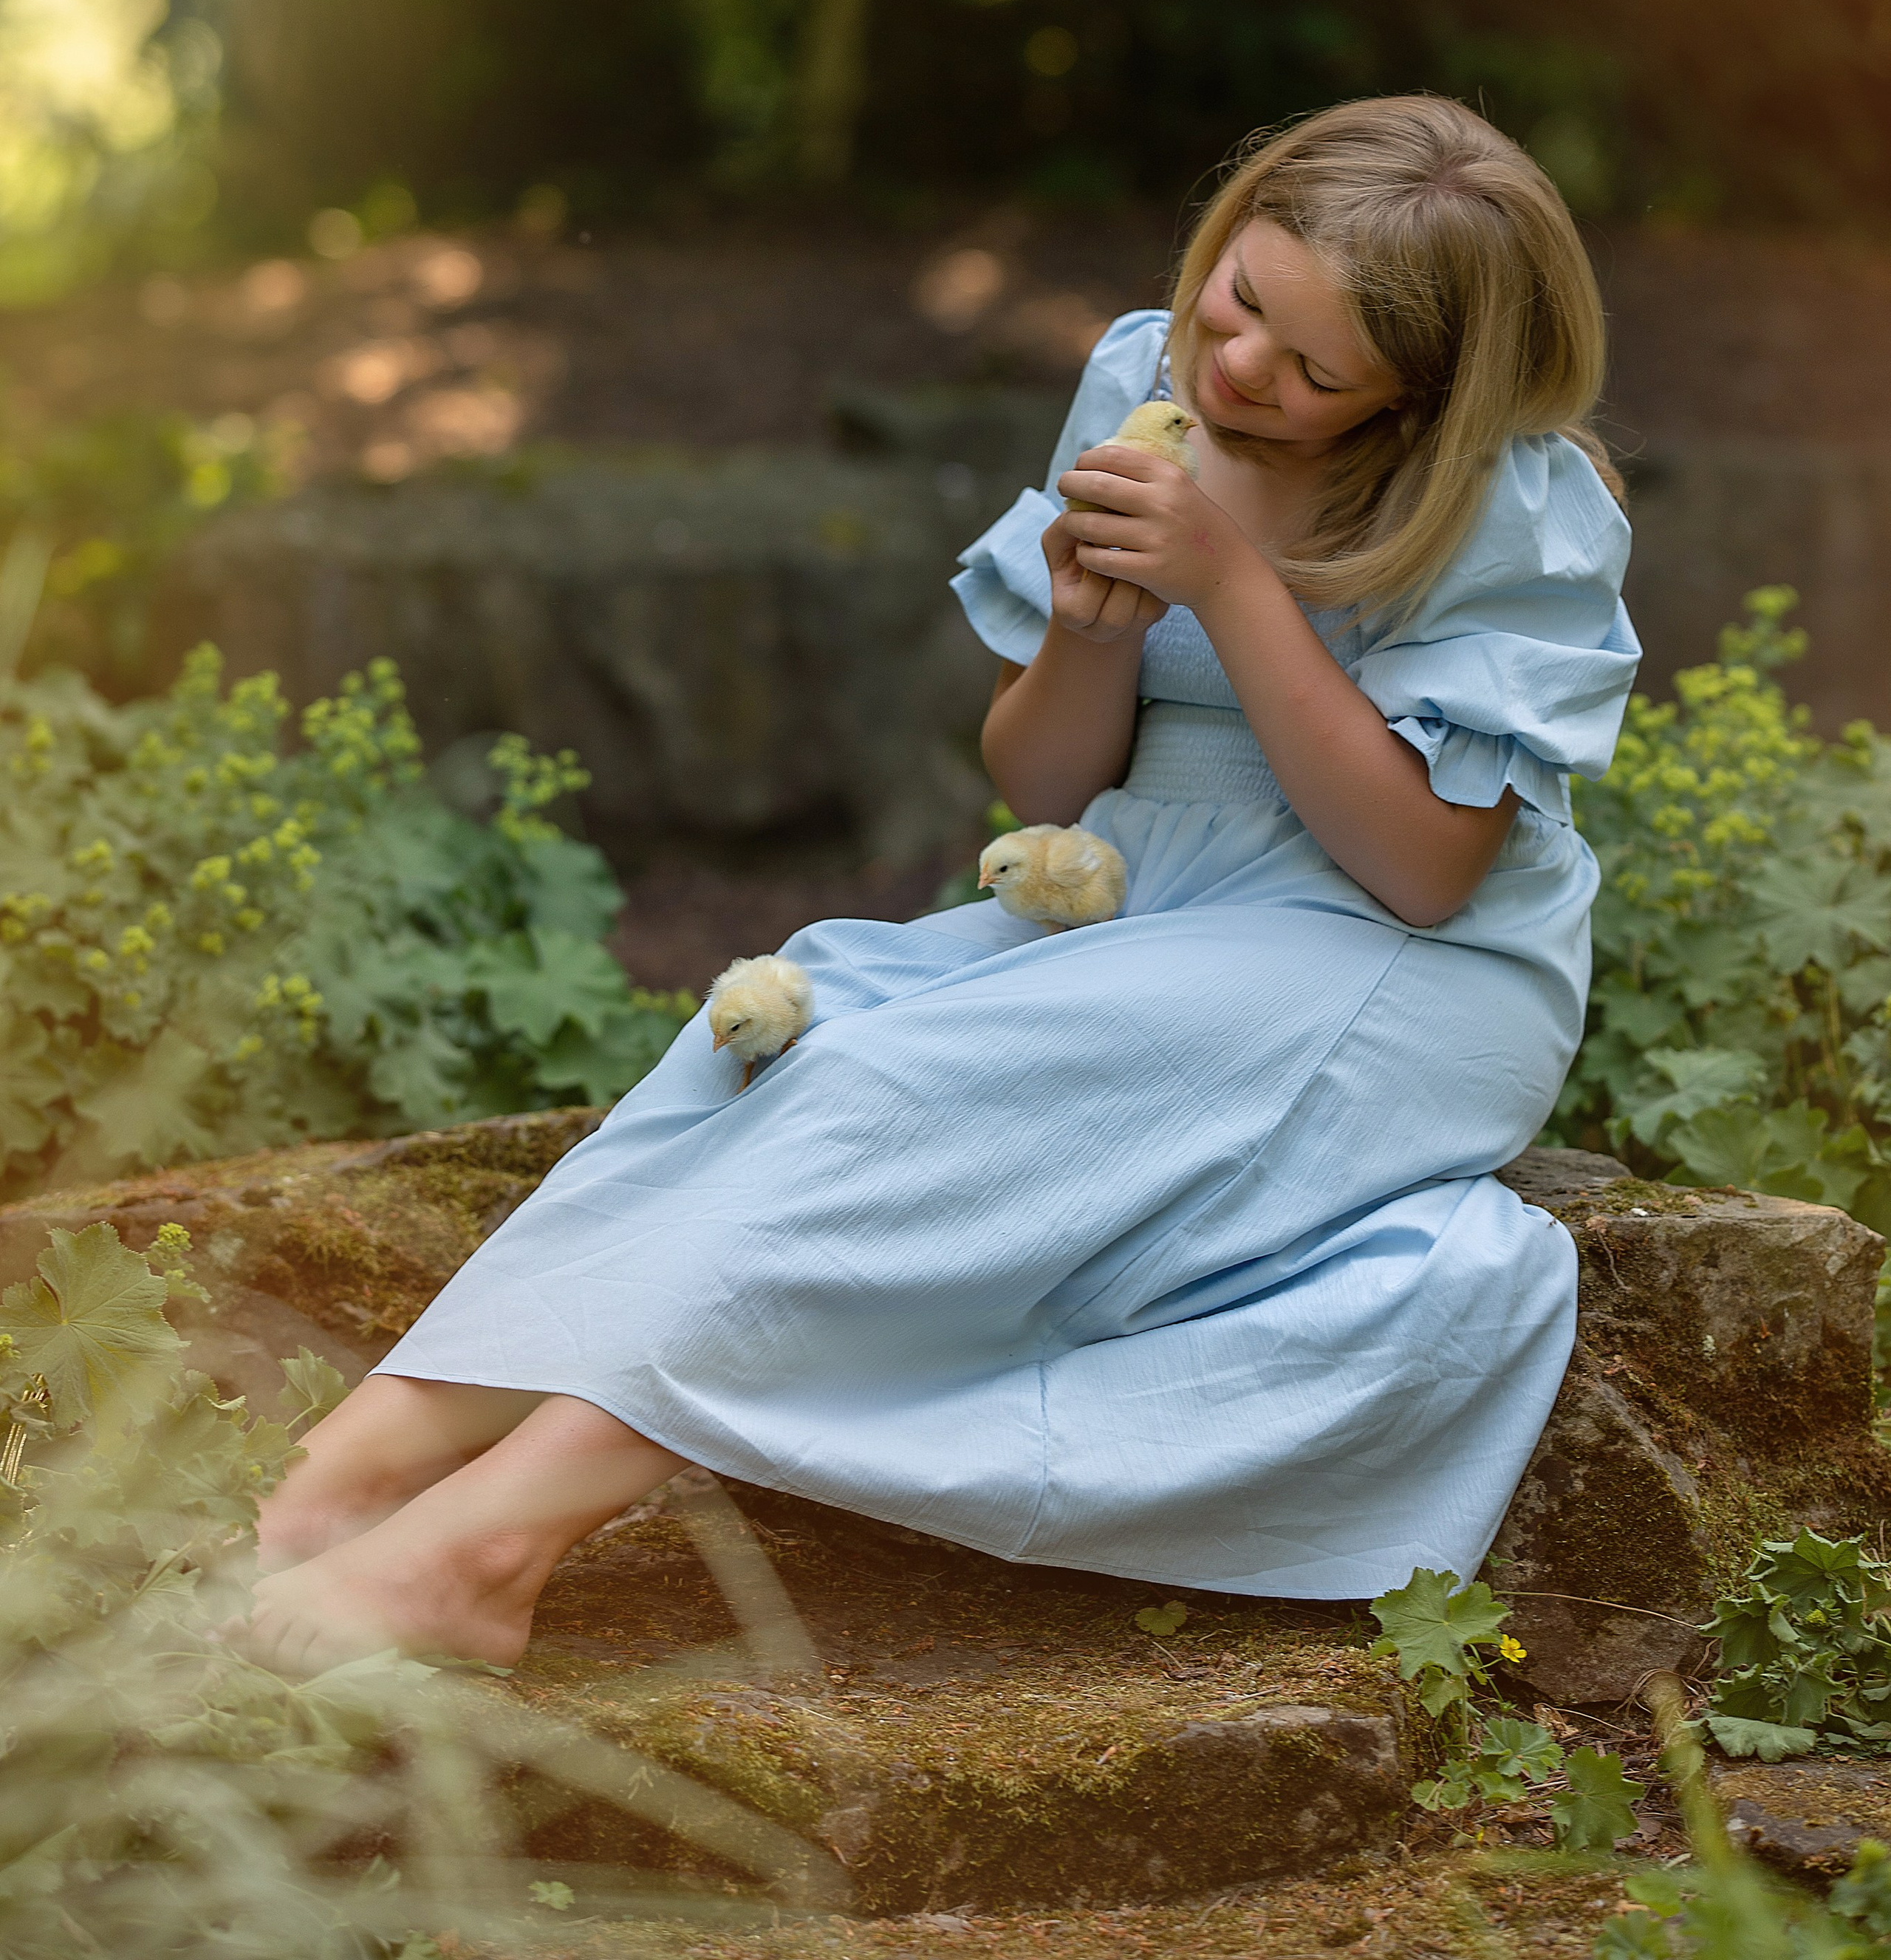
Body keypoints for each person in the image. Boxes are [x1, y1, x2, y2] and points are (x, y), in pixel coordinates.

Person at [239, 95, 1639, 1677]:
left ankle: (489, 1545)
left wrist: (1231, 586)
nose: (1237, 370)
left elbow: (1424, 863)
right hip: (1150, 893)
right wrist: (1093, 628)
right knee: (777, 1046)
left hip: (1387, 960)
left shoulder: (1503, 503)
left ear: (1419, 402)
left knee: (909, 1087)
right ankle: (347, 1474)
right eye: (1237, 302)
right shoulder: (1139, 375)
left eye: (1312, 372)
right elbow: (1046, 786)